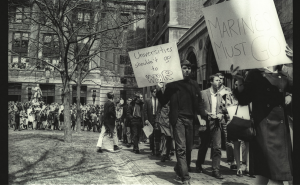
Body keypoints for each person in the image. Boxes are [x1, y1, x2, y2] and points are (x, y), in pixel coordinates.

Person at [230, 45, 293, 184]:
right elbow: (244, 99)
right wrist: (240, 81)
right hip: (263, 126)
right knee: (270, 172)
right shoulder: (255, 73)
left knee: (270, 173)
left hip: (281, 130)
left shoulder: (284, 73)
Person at [156, 60, 202, 185]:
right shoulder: (172, 85)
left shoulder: (194, 84)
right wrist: (159, 89)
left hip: (190, 119)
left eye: (189, 68)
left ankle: (178, 168)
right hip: (178, 119)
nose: (187, 70)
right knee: (181, 148)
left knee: (189, 148)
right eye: (184, 67)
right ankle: (185, 177)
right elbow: (164, 100)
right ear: (179, 69)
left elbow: (199, 103)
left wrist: (204, 116)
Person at [196, 74, 227, 179]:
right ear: (211, 82)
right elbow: (198, 108)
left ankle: (216, 170)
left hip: (216, 123)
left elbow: (223, 109)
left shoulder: (220, 95)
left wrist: (221, 114)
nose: (219, 82)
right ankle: (199, 164)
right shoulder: (203, 93)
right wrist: (203, 117)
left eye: (220, 80)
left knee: (217, 148)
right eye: (217, 80)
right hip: (206, 122)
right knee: (204, 146)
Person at [144, 87, 161, 156]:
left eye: (156, 92)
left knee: (157, 135)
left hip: (157, 119)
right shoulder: (148, 100)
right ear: (151, 93)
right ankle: (152, 150)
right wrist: (146, 119)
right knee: (151, 135)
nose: (155, 93)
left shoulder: (159, 100)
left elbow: (160, 110)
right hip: (150, 119)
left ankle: (157, 150)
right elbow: (145, 111)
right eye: (154, 92)